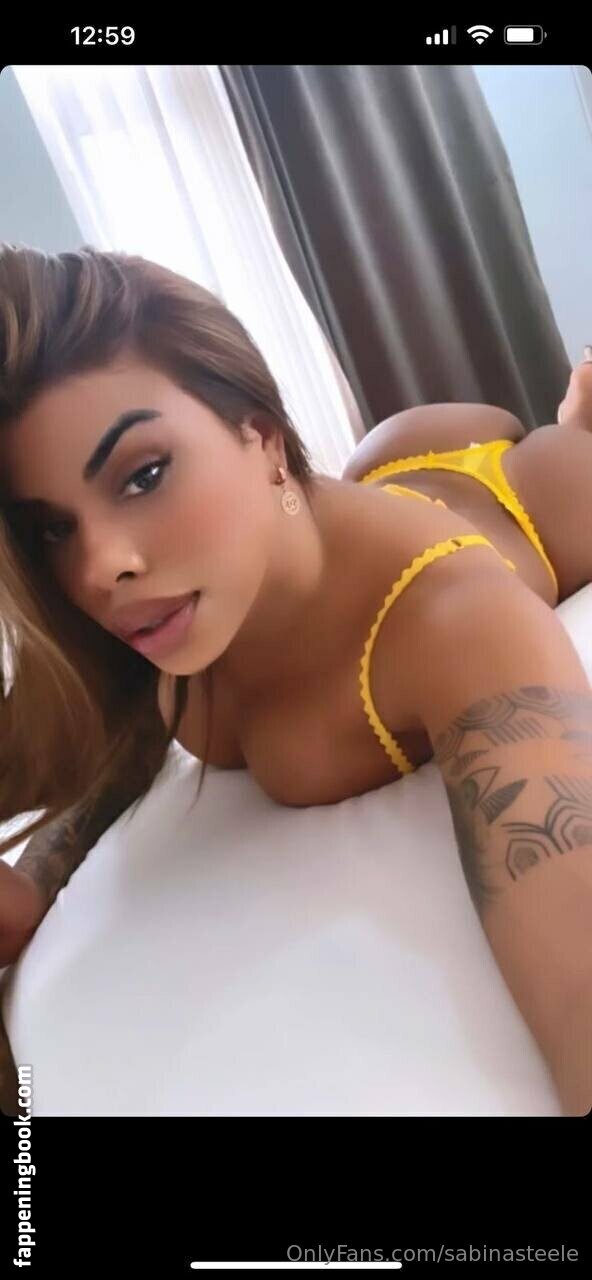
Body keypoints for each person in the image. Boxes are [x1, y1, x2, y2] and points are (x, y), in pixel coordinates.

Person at [1, 244, 591, 1117]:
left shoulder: (456, 623)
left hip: (526, 496)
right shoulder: (164, 612)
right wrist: (36, 879)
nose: (100, 568)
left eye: (144, 475)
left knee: (574, 445)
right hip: (378, 467)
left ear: (262, 433)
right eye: (53, 528)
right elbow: (122, 740)